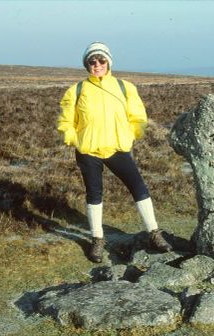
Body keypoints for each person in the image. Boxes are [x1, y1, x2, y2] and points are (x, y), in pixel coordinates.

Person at [57, 42, 172, 263]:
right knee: (94, 193)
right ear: (86, 65)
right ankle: (98, 240)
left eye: (101, 60)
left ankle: (154, 233)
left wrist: (129, 137)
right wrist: (76, 141)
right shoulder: (77, 90)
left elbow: (137, 117)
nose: (97, 64)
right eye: (92, 61)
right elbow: (66, 121)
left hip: (117, 149)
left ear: (109, 62)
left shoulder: (125, 87)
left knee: (138, 187)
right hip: (88, 150)